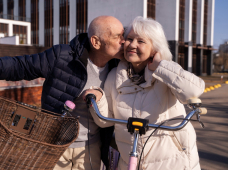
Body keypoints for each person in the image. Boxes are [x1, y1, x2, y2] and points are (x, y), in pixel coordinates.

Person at [0, 16, 125, 170]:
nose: (124, 42)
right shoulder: (63, 56)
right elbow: (21, 66)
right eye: (118, 37)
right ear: (96, 42)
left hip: (91, 148)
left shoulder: (119, 68)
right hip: (55, 145)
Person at [84, 16, 205, 170]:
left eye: (140, 41)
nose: (132, 45)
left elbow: (194, 91)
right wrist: (99, 99)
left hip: (173, 161)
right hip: (131, 162)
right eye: (129, 39)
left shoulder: (166, 73)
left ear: (154, 48)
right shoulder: (114, 75)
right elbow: (105, 120)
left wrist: (160, 67)